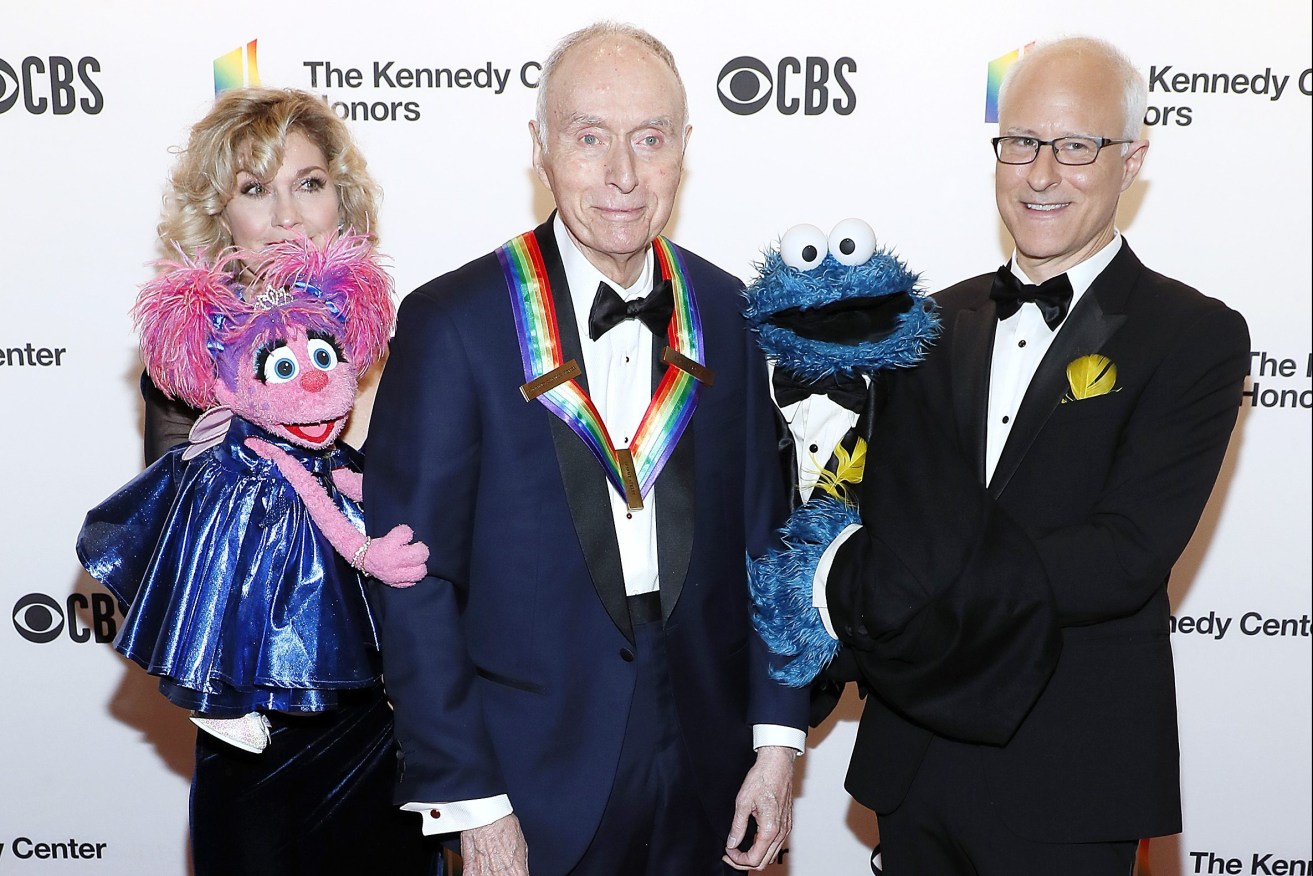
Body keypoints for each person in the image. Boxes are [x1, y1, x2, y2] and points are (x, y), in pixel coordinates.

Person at [363, 22, 809, 876]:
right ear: (539, 147)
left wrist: (779, 738)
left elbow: (768, 544)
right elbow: (413, 583)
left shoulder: (729, 310)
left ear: (684, 147)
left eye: (650, 139)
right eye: (589, 137)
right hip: (529, 771)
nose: (622, 175)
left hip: (711, 758)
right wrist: (474, 800)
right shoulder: (451, 324)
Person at [810, 37, 1250, 874]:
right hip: (914, 763)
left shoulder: (1193, 336)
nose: (1041, 173)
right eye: (1020, 142)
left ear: (1132, 161)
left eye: (1075, 145)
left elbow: (1123, 555)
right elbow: (877, 514)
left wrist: (914, 583)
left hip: (1070, 776)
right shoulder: (922, 326)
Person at [137, 87, 441, 876]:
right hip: (258, 731)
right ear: (219, 214)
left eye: (308, 182)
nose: (287, 215)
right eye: (253, 188)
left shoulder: (405, 344)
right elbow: (183, 562)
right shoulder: (193, 367)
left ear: (340, 198)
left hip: (393, 723)